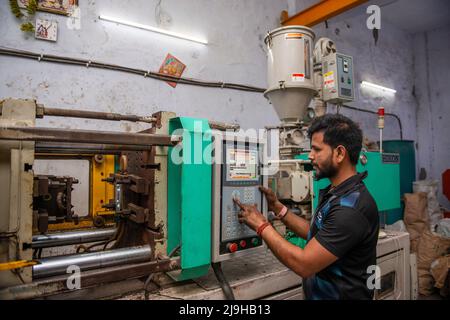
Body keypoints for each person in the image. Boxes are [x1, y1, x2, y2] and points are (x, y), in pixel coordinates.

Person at [234, 114, 379, 300]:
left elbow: (304, 264)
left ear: (340, 153)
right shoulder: (337, 193)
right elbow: (317, 234)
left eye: (317, 149)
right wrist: (278, 208)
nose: (310, 156)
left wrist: (262, 226)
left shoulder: (351, 208)